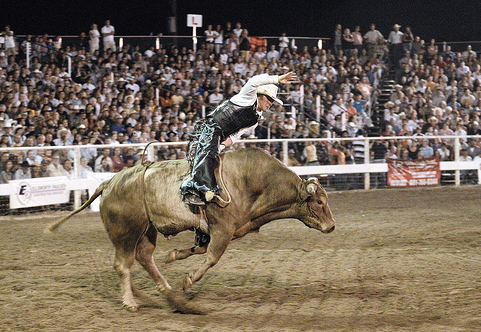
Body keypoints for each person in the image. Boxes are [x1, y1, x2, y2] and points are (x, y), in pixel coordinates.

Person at [180, 71, 298, 206]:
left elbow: (234, 137)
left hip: (219, 136)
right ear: (260, 96)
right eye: (270, 99)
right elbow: (254, 81)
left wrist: (221, 146)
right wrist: (277, 78)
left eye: (273, 101)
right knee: (209, 154)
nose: (271, 103)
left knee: (216, 156)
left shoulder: (254, 121)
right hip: (210, 126)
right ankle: (190, 191)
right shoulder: (247, 97)